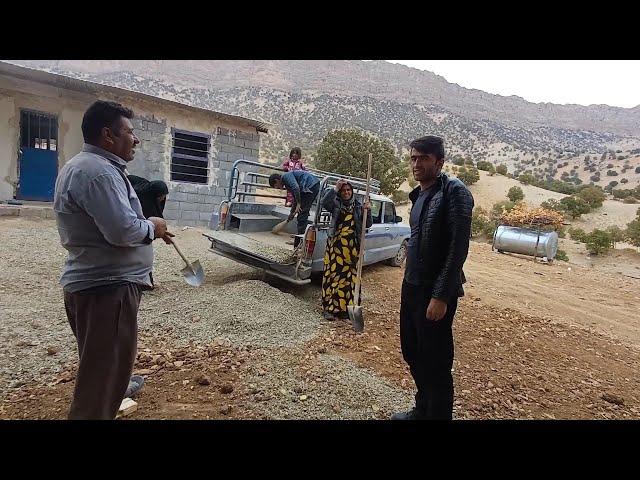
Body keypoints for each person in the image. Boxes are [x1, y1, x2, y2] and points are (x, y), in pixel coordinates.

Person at [53, 100, 173, 420]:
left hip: (97, 287)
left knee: (101, 373)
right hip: (107, 291)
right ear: (108, 135)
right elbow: (122, 231)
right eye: (130, 132)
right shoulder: (99, 173)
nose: (135, 140)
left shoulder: (86, 167)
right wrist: (154, 226)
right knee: (98, 390)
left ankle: (117, 388)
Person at [391, 135, 474, 421]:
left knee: (436, 362)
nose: (416, 163)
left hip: (435, 291)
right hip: (411, 286)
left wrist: (440, 295)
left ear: (439, 162)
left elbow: (458, 247)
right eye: (413, 157)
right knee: (412, 352)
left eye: (423, 158)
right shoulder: (419, 194)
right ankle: (422, 409)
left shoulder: (454, 192)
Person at [320, 179, 372, 321]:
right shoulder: (336, 204)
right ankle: (329, 309)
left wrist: (368, 209)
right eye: (343, 191)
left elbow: (368, 224)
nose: (346, 192)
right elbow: (324, 202)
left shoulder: (358, 206)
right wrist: (335, 188)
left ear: (352, 192)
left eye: (348, 190)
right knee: (334, 277)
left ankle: (344, 310)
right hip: (336, 247)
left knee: (350, 279)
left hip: (352, 248)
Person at [268, 169, 320, 247]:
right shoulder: (287, 183)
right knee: (302, 213)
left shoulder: (286, 176)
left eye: (276, 186)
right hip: (311, 185)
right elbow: (295, 197)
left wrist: (299, 204)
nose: (278, 188)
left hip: (310, 185)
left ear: (277, 180)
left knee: (302, 213)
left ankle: (299, 242)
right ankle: (300, 238)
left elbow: (296, 188)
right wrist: (291, 214)